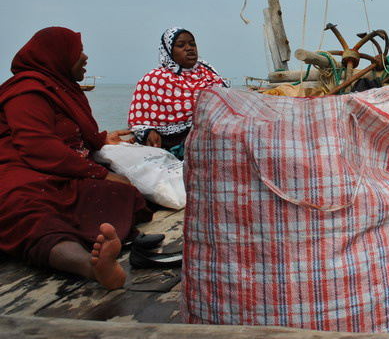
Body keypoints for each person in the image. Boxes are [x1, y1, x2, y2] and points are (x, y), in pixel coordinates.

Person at [0, 27, 153, 289]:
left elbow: (71, 131)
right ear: (56, 55)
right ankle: (90, 265)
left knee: (124, 193)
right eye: (77, 50)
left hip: (60, 173)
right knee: (32, 214)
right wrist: (102, 173)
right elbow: (38, 145)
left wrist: (102, 139)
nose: (85, 57)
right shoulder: (27, 91)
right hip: (21, 173)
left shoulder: (64, 89)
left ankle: (101, 237)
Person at [128, 27, 228, 157]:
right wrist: (148, 132)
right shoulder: (153, 80)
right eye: (181, 45)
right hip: (174, 147)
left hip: (211, 143)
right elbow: (139, 121)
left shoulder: (208, 74)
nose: (189, 48)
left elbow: (227, 107)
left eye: (192, 44)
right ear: (169, 52)